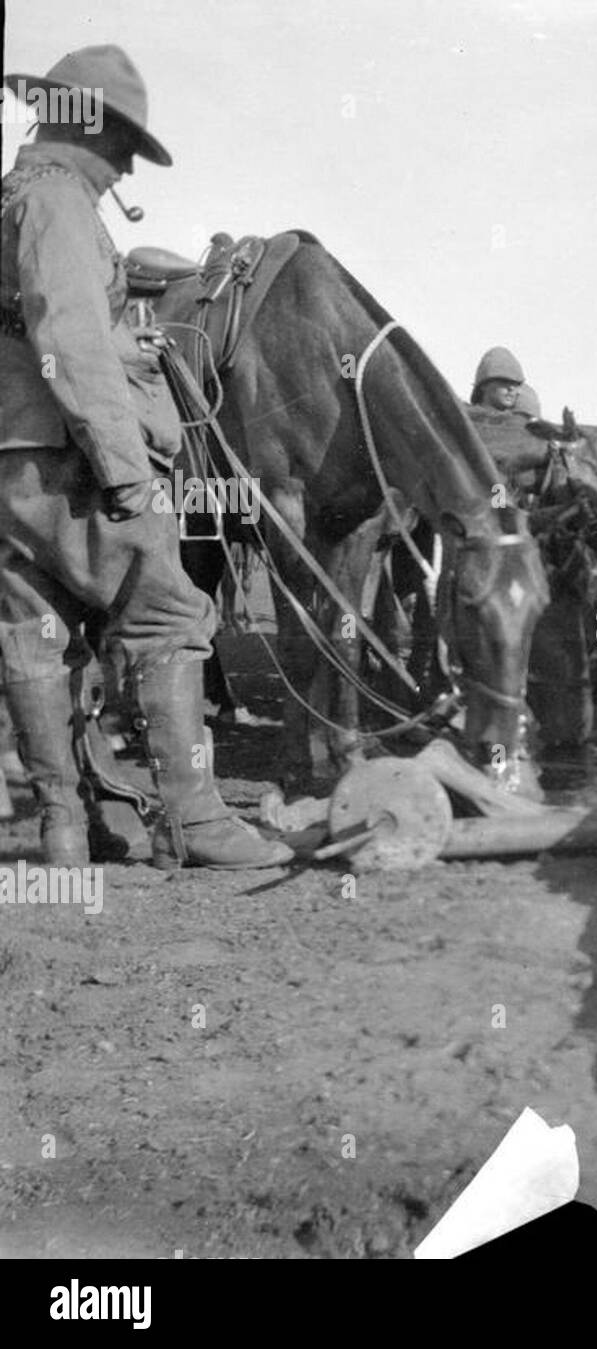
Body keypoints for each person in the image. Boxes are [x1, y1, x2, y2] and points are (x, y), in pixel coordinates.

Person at [0, 45, 291, 870]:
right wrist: (128, 467)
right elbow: (73, 340)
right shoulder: (57, 202)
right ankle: (192, 819)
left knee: (34, 633)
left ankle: (65, 828)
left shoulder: (16, 199)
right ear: (80, 122)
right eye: (122, 139)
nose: (127, 161)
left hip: (14, 458)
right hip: (76, 459)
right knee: (166, 615)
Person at [469, 346, 525, 412]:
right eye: (504, 381)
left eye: (516, 384)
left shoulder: (519, 421)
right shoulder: (460, 419)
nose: (511, 388)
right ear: (484, 385)